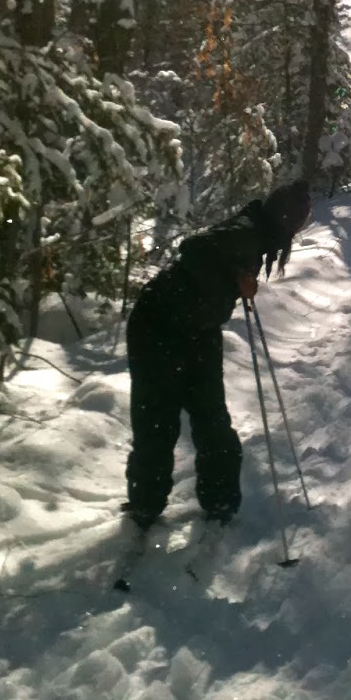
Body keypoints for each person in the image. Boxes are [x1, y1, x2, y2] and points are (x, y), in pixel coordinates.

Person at [122, 178, 312, 530]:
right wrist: (235, 270)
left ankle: (220, 500)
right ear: (284, 221)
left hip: (198, 330)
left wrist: (237, 274)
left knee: (211, 418)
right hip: (157, 323)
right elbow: (195, 247)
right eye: (295, 223)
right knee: (157, 419)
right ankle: (146, 505)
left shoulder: (259, 232)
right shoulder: (246, 232)